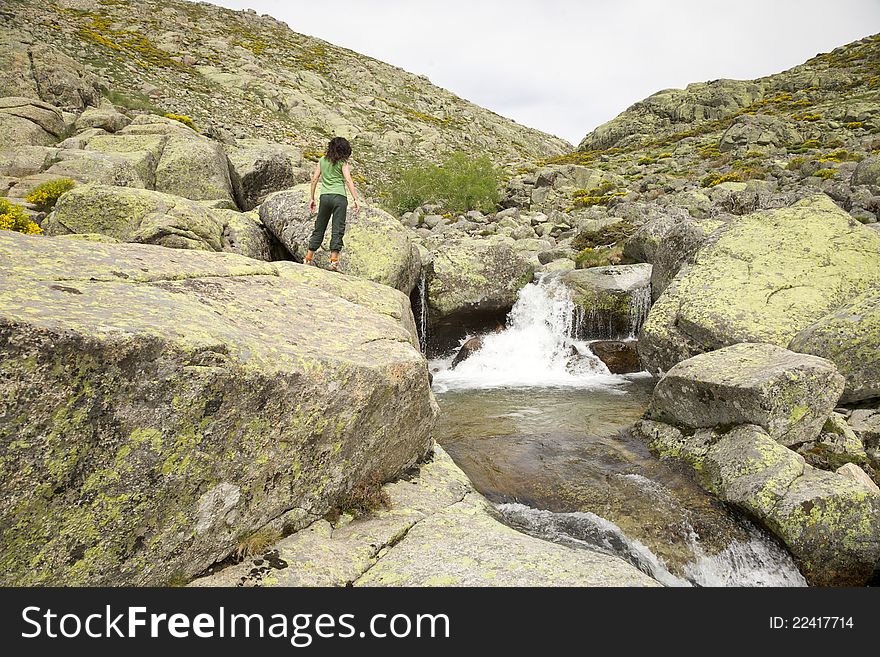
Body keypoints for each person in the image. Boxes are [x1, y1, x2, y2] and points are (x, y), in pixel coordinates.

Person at [305, 137, 360, 270]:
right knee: (337, 228)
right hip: (339, 198)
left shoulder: (322, 160)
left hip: (325, 197)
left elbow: (314, 179)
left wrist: (312, 198)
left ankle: (308, 259)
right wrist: (356, 199)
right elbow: (348, 180)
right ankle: (334, 262)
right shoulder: (343, 162)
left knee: (319, 226)